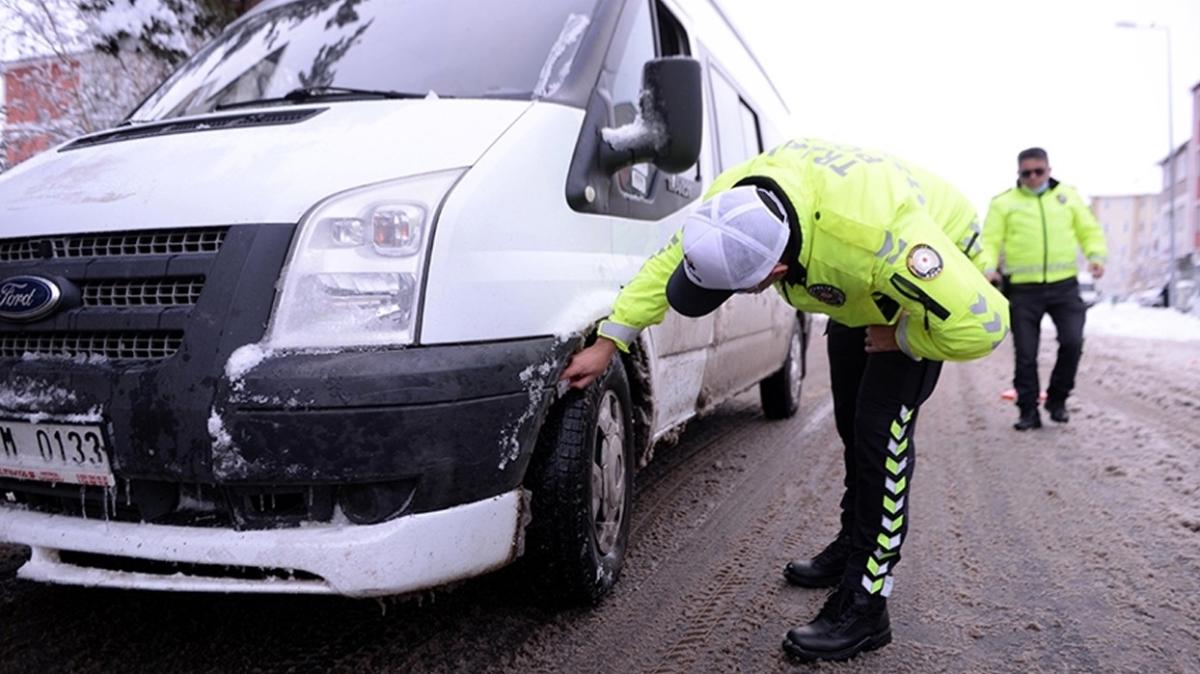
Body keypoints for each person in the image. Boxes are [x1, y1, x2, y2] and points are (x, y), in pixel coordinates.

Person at [560, 138, 1009, 663]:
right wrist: (611, 339)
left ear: (774, 275)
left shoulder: (881, 243)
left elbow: (986, 324)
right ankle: (852, 546)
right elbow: (670, 266)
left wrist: (906, 337)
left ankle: (867, 605)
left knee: (878, 437)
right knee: (849, 418)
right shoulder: (735, 205)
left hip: (921, 280)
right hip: (847, 271)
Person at [979, 147, 1107, 430]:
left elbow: (1089, 230)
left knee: (1072, 342)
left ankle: (1057, 399)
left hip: (1064, 287)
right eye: (1027, 173)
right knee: (1026, 354)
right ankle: (1027, 411)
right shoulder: (1004, 203)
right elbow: (990, 240)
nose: (1033, 177)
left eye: (1039, 171)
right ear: (1019, 174)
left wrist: (1096, 256)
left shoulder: (1068, 197)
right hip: (1024, 291)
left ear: (1049, 170)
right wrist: (987, 267)